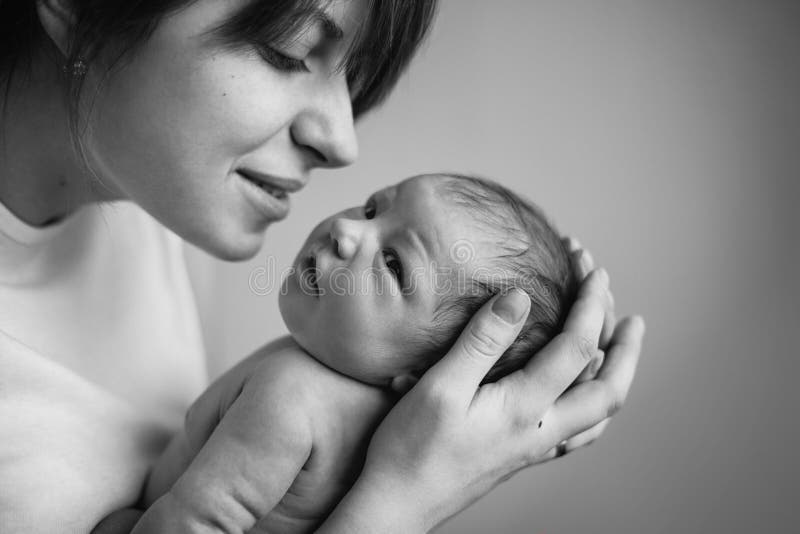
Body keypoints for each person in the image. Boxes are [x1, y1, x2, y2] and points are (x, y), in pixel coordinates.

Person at [0, 1, 645, 533]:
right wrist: (402, 502)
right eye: (287, 48)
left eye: (349, 70)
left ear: (417, 376)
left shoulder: (151, 216)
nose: (343, 139)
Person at [140, 172, 590, 533]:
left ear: (423, 375)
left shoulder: (289, 398)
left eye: (393, 264)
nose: (346, 229)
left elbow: (197, 522)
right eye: (374, 208)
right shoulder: (392, 436)